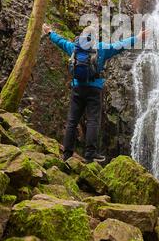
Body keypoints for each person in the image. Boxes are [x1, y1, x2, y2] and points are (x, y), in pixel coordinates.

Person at [42, 23, 149, 163]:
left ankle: (67, 154)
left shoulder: (74, 48)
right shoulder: (101, 48)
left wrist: (50, 33)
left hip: (77, 88)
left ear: (82, 36)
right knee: (93, 120)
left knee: (72, 121)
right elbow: (120, 45)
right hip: (94, 89)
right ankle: (90, 154)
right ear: (94, 37)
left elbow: (60, 42)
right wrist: (138, 37)